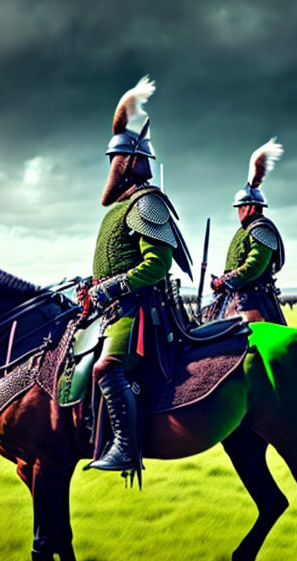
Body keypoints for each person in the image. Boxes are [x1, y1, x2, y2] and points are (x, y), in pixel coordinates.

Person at [85, 76, 192, 472]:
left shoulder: (149, 204)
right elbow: (118, 259)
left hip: (141, 311)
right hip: (115, 307)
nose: (111, 168)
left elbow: (156, 265)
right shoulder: (123, 206)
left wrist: (113, 286)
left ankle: (127, 448)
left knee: (106, 367)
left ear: (130, 163)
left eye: (115, 161)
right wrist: (93, 284)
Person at [210, 139, 287, 324]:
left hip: (254, 300)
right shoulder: (245, 230)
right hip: (237, 296)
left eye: (240, 207)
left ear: (251, 207)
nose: (238, 212)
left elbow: (254, 266)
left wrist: (225, 280)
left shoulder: (262, 229)